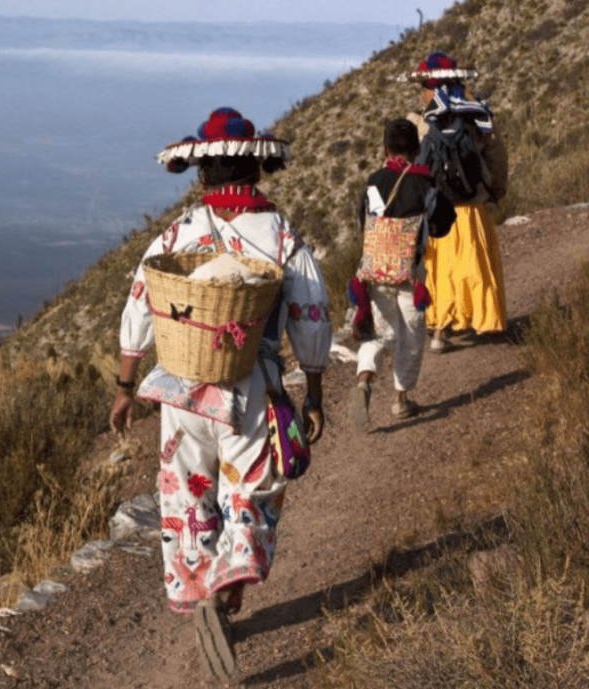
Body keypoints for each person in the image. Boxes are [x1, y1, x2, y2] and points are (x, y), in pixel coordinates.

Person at [108, 107, 332, 683]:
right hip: (249, 386)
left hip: (180, 387)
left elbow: (141, 303)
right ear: (254, 169)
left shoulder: (178, 234)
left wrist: (126, 386)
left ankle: (201, 577)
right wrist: (313, 390)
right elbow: (309, 314)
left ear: (204, 172)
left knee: (189, 490)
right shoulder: (282, 236)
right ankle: (229, 581)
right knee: (249, 487)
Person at [349, 118, 457, 432]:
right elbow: (444, 222)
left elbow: (365, 221)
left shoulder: (374, 181)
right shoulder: (424, 183)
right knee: (411, 335)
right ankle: (400, 399)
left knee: (379, 334)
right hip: (411, 274)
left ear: (385, 149)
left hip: (376, 271)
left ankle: (364, 380)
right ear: (416, 149)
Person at [404, 52, 509, 352]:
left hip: (437, 211)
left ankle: (440, 328)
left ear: (432, 89)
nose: (422, 94)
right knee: (472, 266)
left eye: (424, 88)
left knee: (440, 269)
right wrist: (496, 191)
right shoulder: (478, 117)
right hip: (471, 208)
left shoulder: (421, 125)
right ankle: (481, 317)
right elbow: (497, 156)